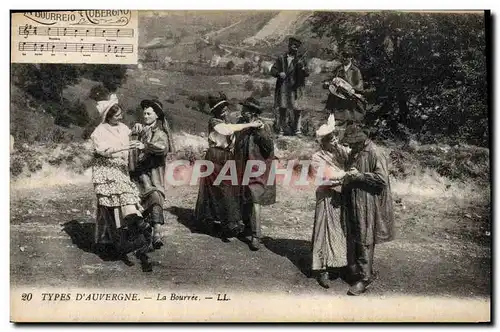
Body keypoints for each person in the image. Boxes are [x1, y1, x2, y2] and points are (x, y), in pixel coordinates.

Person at [90, 94, 153, 272]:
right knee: (114, 203)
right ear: (108, 116)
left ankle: (135, 224)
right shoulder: (99, 132)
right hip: (106, 169)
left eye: (121, 114)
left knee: (126, 196)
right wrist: (125, 147)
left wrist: (139, 132)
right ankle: (118, 237)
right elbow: (103, 151)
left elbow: (132, 136)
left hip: (121, 168)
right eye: (116, 115)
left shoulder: (124, 128)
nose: (120, 116)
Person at [195, 92, 263, 240]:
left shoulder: (226, 121)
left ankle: (227, 223)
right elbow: (227, 130)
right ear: (215, 110)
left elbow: (234, 132)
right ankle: (221, 223)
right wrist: (250, 124)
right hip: (215, 155)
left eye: (225, 106)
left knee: (228, 188)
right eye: (221, 108)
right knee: (217, 188)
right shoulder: (214, 121)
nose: (225, 109)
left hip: (226, 156)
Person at [340, 122, 395, 295]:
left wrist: (361, 176)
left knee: (365, 237)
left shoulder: (375, 153)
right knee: (352, 235)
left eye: (354, 143)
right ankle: (355, 270)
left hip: (367, 202)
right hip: (353, 199)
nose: (351, 146)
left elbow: (381, 179)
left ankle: (365, 278)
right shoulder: (355, 152)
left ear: (362, 140)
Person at [309, 114, 351, 288]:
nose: (333, 141)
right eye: (329, 139)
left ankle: (339, 265)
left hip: (341, 196)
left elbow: (351, 161)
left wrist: (340, 149)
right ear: (323, 142)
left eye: (334, 137)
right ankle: (322, 269)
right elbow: (326, 176)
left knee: (339, 230)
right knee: (324, 231)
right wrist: (344, 175)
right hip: (326, 195)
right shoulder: (317, 157)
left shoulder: (340, 151)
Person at [130, 99, 176, 250]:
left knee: (155, 196)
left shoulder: (160, 133)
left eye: (149, 113)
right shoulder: (141, 129)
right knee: (137, 202)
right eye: (144, 113)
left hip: (154, 172)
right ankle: (144, 234)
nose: (145, 115)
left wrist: (145, 146)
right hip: (139, 173)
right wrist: (134, 133)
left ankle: (157, 232)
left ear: (157, 115)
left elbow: (162, 148)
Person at [234, 97, 276, 251]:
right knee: (244, 196)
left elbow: (268, 147)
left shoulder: (263, 126)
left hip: (257, 168)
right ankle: (246, 226)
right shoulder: (243, 124)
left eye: (244, 109)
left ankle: (256, 235)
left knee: (255, 199)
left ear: (251, 112)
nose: (242, 111)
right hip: (243, 166)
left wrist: (260, 132)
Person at [270, 36, 309, 136]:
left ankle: (297, 130)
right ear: (289, 46)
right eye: (294, 46)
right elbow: (273, 70)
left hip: (296, 88)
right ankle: (282, 129)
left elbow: (307, 73)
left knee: (297, 109)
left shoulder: (301, 59)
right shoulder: (281, 58)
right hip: (284, 87)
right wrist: (279, 74)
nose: (295, 48)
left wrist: (304, 70)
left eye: (297, 46)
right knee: (283, 108)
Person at [322, 47, 365, 137]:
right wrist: (328, 84)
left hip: (350, 98)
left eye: (347, 56)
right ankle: (336, 138)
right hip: (338, 97)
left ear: (351, 58)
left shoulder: (355, 70)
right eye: (343, 56)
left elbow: (360, 84)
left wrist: (353, 89)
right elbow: (334, 80)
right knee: (337, 119)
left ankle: (347, 139)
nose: (345, 58)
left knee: (349, 119)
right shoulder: (339, 69)